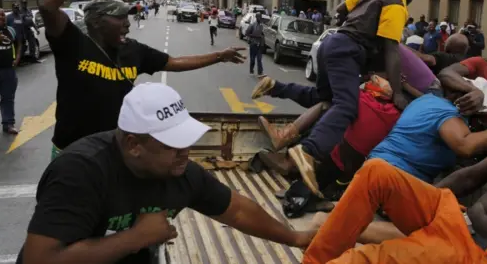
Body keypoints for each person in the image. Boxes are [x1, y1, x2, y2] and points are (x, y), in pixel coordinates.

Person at [17, 83, 315, 264]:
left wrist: (296, 238)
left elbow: (237, 210)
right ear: (134, 145)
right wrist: (137, 237)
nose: (186, 150)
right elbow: (39, 259)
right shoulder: (81, 172)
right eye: (173, 144)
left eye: (187, 139)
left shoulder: (179, 171)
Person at [303, 80, 487, 264]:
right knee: (377, 172)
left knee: (360, 261)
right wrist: (418, 203)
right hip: (455, 215)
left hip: (477, 252)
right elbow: (470, 176)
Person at [39, 0, 245, 159]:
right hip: (73, 153)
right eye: (119, 18)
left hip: (116, 152)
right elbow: (48, 6)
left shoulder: (133, 50)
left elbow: (174, 63)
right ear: (98, 22)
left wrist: (219, 56)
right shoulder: (72, 44)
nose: (127, 24)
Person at [251, 0, 422, 193]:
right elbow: (391, 49)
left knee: (323, 97)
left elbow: (342, 8)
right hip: (347, 51)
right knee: (347, 107)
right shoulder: (396, 5)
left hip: (331, 44)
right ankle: (307, 152)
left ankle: (275, 86)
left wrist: (347, 24)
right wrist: (398, 93)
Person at [246, 12, 265, 77]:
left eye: (260, 17)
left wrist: (262, 44)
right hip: (253, 44)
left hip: (259, 45)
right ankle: (251, 70)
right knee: (253, 59)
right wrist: (254, 36)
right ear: (256, 17)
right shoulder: (252, 25)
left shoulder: (262, 26)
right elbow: (247, 33)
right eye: (258, 17)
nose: (260, 18)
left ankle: (260, 72)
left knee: (259, 59)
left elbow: (263, 36)